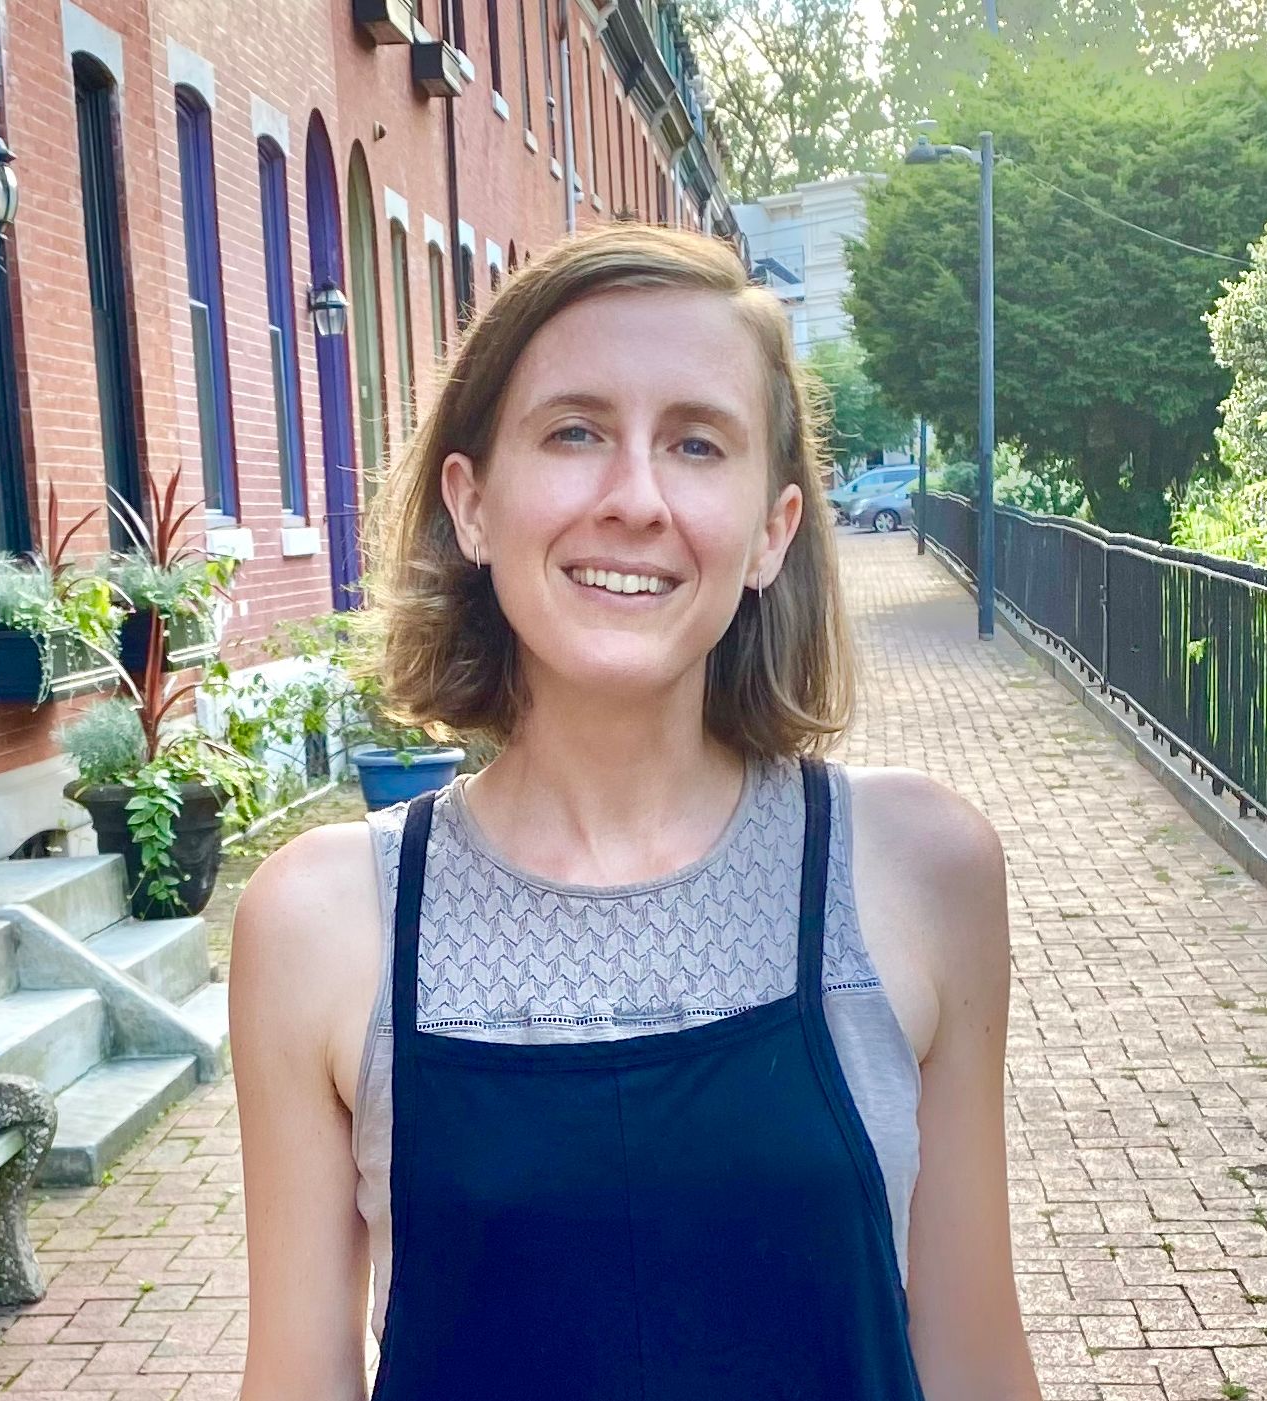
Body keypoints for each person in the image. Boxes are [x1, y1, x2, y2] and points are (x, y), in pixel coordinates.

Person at [230, 223, 1039, 1401]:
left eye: (696, 444)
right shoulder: (324, 923)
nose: (635, 499)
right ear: (471, 502)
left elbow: (974, 1365)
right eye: (574, 432)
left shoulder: (917, 873)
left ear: (770, 532)